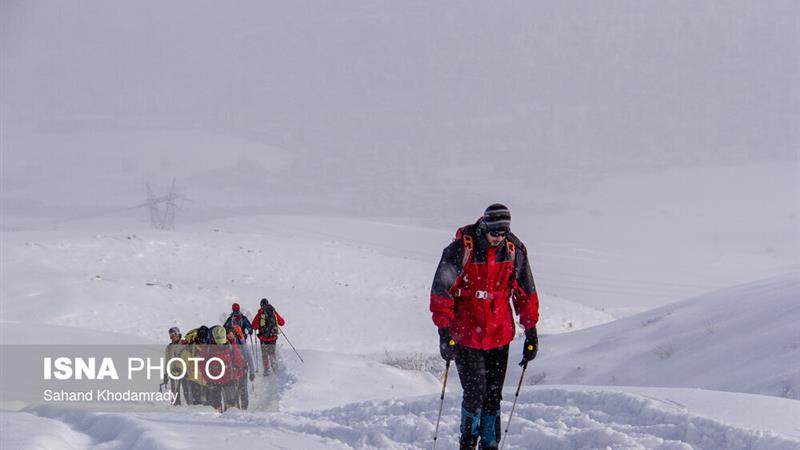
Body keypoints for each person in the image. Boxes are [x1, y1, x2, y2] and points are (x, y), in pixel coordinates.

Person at [430, 203, 540, 450]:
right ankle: (467, 442)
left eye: (503, 233)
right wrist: (443, 331)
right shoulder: (460, 249)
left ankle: (490, 443)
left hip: (499, 334)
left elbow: (526, 292)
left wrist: (531, 331)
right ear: (484, 227)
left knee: (493, 396)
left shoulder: (514, 250)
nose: (498, 239)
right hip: (466, 335)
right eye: (494, 233)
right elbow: (441, 291)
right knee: (475, 393)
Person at [251, 298, 285, 375]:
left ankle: (266, 370)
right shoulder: (273, 311)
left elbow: (254, 326)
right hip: (273, 337)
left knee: (264, 354)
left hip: (263, 338)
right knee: (272, 352)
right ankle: (274, 367)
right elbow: (282, 322)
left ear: (261, 305)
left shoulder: (260, 313)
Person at [162, 327, 190, 405]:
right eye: (171, 335)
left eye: (174, 334)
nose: (172, 336)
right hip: (174, 372)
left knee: (187, 390)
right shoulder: (169, 347)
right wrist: (165, 374)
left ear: (178, 334)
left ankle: (190, 406)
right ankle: (176, 406)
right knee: (175, 391)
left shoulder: (185, 344)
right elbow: (167, 361)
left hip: (185, 371)